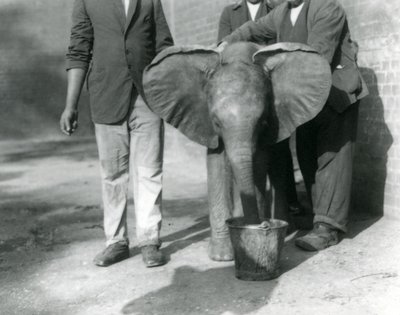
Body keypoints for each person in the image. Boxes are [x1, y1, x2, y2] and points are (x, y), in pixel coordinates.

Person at [219, 0, 368, 251]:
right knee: (309, 157)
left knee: (332, 159)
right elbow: (253, 29)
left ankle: (328, 228)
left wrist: (270, 64)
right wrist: (226, 44)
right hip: (308, 97)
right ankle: (319, 219)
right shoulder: (282, 12)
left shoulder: (327, 8)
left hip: (337, 93)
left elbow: (317, 55)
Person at [60, 0, 173, 267]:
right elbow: (78, 51)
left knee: (149, 170)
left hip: (147, 96)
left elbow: (164, 47)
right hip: (106, 95)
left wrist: (166, 93)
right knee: (113, 174)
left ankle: (149, 240)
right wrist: (70, 105)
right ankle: (116, 242)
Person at [218, 0, 305, 220]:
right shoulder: (230, 13)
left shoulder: (275, 9)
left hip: (267, 89)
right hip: (239, 94)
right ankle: (245, 211)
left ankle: (284, 208)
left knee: (278, 151)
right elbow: (223, 50)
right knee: (241, 158)